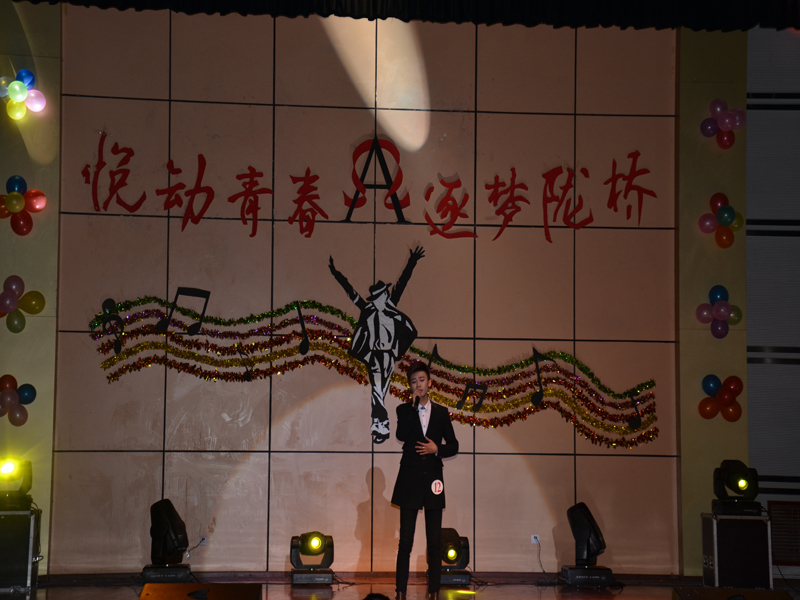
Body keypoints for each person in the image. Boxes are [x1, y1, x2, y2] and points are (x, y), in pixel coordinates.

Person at [329, 246, 424, 443]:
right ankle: (381, 426)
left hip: (388, 356)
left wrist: (412, 262)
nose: (385, 297)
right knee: (377, 391)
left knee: (380, 391)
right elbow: (351, 293)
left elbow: (401, 284)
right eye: (381, 296)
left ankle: (380, 425)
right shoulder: (368, 310)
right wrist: (337, 274)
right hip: (373, 356)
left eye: (384, 295)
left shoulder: (391, 309)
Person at [391, 361, 459, 600]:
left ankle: (434, 592)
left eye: (421, 380)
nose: (418, 385)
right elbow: (401, 435)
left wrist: (436, 449)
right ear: (410, 386)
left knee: (435, 541)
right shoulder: (403, 410)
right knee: (405, 541)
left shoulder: (441, 412)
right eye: (413, 381)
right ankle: (401, 592)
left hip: (433, 481)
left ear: (429, 383)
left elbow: (454, 445)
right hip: (409, 480)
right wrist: (413, 408)